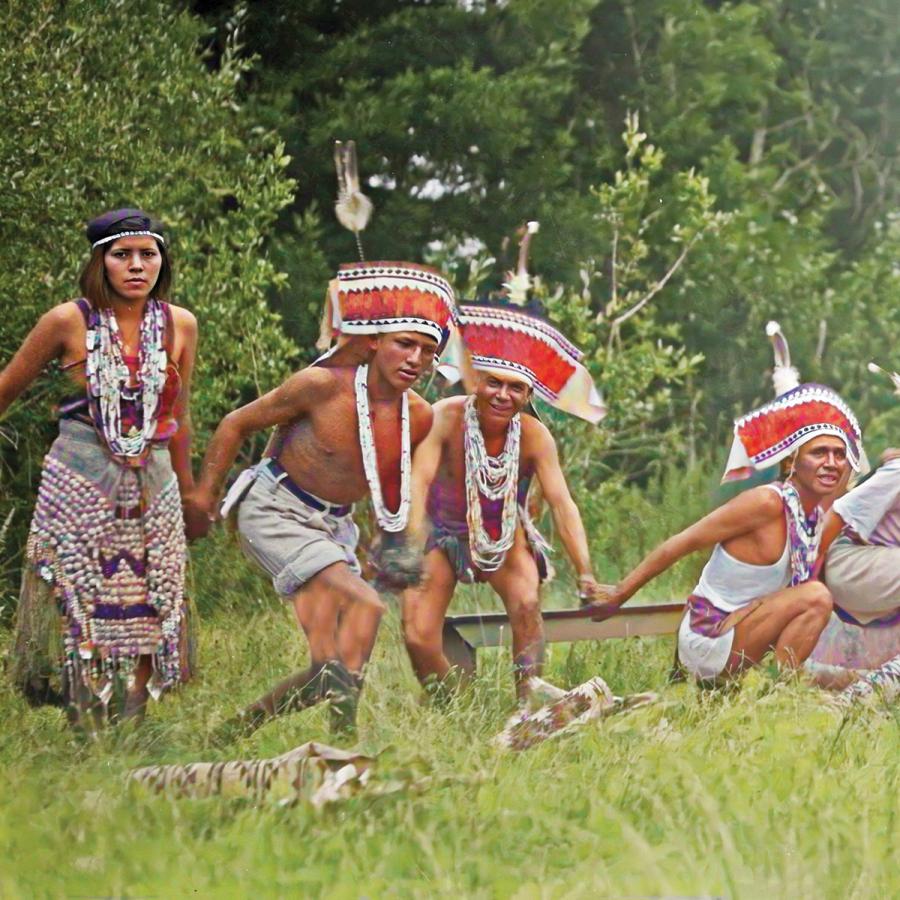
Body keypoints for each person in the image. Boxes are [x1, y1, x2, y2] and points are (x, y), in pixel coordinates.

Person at [185, 261, 457, 736]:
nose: (415, 359)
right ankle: (344, 742)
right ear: (373, 343)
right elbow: (235, 424)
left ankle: (238, 732)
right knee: (367, 608)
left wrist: (391, 541)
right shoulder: (320, 385)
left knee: (334, 665)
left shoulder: (420, 414)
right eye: (404, 344)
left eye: (427, 351)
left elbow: (392, 484)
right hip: (276, 510)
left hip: (336, 527)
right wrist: (204, 497)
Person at [6, 208, 198, 727]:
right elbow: (7, 389)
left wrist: (193, 492)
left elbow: (178, 415)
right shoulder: (66, 321)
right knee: (79, 590)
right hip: (79, 472)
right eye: (122, 255)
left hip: (153, 479)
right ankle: (83, 714)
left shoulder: (180, 324)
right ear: (101, 263)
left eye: (148, 254)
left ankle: (133, 716)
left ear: (162, 261)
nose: (137, 266)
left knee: (151, 592)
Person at [589, 383, 866, 681]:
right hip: (710, 639)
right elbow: (683, 542)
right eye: (819, 453)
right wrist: (619, 594)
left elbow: (849, 483)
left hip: (745, 630)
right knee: (816, 597)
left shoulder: (812, 515)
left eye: (839, 455)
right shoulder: (767, 502)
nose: (831, 463)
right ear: (792, 462)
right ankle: (778, 694)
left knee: (823, 604)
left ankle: (778, 689)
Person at [402, 300, 607, 700]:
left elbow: (562, 504)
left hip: (501, 533)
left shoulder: (533, 436)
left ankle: (528, 706)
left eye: (516, 388)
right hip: (439, 534)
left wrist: (585, 572)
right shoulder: (445, 417)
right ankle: (455, 708)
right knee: (417, 635)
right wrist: (406, 545)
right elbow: (418, 482)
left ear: (528, 392)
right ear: (476, 379)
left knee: (528, 604)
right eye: (494, 382)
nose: (502, 395)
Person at [807, 446, 900, 687]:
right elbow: (839, 514)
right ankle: (866, 691)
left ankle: (870, 684)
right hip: (849, 564)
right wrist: (800, 583)